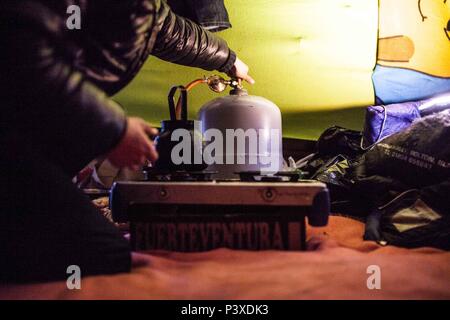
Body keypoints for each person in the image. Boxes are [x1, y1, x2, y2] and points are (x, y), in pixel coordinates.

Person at [0, 0, 254, 283]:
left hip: (32, 150)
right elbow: (20, 52)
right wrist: (115, 128)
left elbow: (164, 27)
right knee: (100, 260)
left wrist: (228, 60)